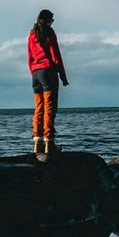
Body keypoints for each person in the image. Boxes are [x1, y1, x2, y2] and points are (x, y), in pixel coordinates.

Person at [27, 9, 69, 156]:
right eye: (52, 20)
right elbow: (56, 55)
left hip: (36, 75)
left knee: (39, 108)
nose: (53, 23)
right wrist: (63, 76)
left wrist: (33, 72)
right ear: (49, 20)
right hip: (48, 72)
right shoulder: (49, 33)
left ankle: (37, 143)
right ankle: (49, 143)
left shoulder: (32, 34)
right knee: (50, 108)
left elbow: (30, 57)